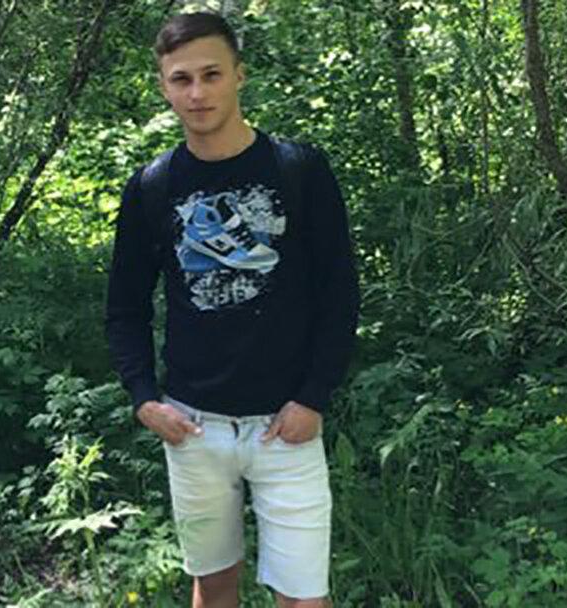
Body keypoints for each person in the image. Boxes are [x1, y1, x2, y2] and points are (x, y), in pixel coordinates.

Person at [105, 11, 359, 608]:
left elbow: (340, 292)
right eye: (181, 79)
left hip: (286, 428)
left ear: (239, 75)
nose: (197, 92)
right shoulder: (153, 186)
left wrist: (314, 396)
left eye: (211, 74)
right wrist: (143, 396)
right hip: (193, 427)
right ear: (164, 87)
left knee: (304, 599)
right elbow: (124, 307)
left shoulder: (299, 170)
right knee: (214, 588)